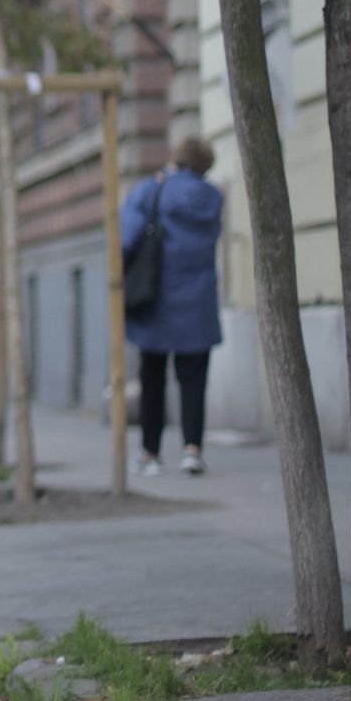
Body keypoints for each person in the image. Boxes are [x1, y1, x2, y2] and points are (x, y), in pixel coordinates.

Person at [120, 136, 224, 475]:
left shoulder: (154, 190)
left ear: (175, 159)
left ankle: (150, 454)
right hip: (199, 298)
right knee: (194, 378)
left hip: (157, 297)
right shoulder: (212, 198)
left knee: (153, 377)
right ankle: (192, 449)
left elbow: (126, 237)